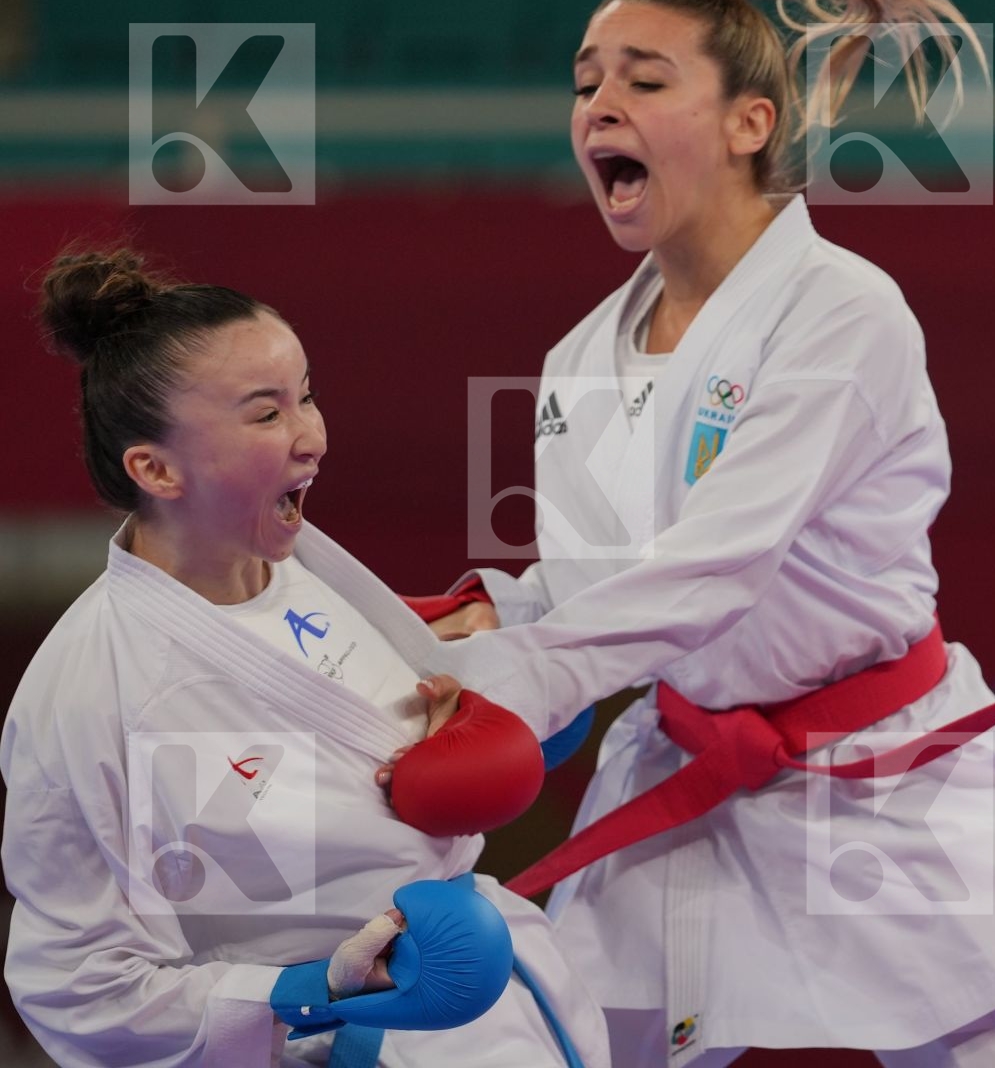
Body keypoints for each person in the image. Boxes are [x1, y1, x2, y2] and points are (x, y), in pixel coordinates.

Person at [400, 0, 995, 1064]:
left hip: (888, 780)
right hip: (684, 768)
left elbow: (716, 566)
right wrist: (483, 631)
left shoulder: (842, 311)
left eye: (643, 80)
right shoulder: (581, 357)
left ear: (750, 123)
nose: (599, 105)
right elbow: (601, 586)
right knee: (572, 1043)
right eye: (585, 82)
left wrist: (524, 674)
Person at [2, 251, 609, 1067]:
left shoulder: (304, 566)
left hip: (508, 1005)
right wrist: (311, 988)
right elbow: (78, 983)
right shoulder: (91, 694)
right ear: (156, 468)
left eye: (307, 396)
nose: (313, 438)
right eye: (266, 414)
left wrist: (478, 711)